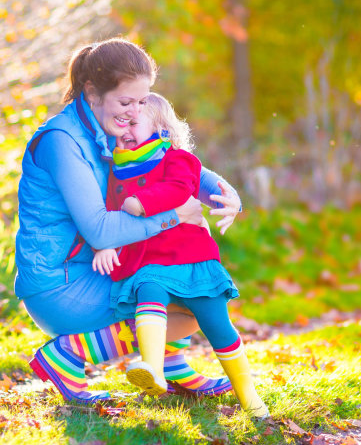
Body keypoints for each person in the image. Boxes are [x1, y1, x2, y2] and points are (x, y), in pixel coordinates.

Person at [17, 38, 241, 403]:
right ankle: (69, 354)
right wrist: (174, 217)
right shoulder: (62, 141)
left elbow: (167, 160)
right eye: (126, 102)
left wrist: (225, 192)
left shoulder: (107, 125)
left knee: (190, 277)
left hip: (95, 267)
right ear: (92, 92)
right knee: (190, 298)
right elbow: (99, 229)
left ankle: (172, 366)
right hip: (61, 284)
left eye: (142, 101)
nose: (136, 114)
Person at [91, 93, 269, 418]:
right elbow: (105, 213)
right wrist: (103, 244)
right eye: (122, 124)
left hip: (192, 260)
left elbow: (177, 189)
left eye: (134, 123)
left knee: (218, 325)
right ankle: (153, 369)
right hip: (150, 259)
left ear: (161, 130)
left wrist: (141, 202)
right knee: (149, 292)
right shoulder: (118, 171)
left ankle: (250, 396)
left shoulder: (179, 160)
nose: (125, 129)